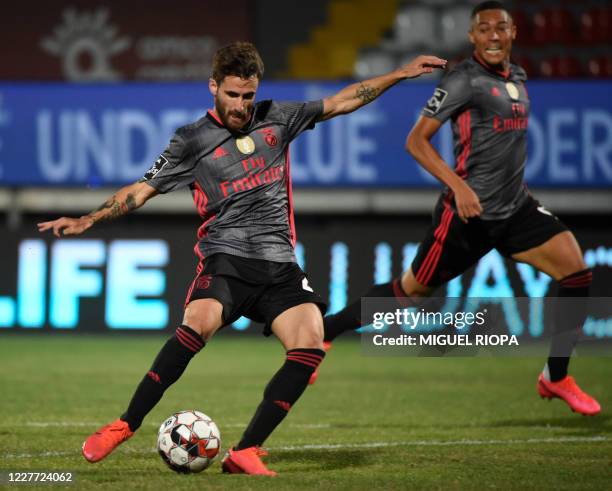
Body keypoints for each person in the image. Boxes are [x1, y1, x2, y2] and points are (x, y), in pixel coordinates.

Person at [37, 42, 446, 475]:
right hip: (226, 260)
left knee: (310, 342)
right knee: (199, 324)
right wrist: (90, 218)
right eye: (232, 95)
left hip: (280, 265)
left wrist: (399, 74)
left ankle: (245, 450)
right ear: (214, 87)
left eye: (248, 96)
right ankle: (124, 424)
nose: (240, 105)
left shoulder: (279, 117)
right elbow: (139, 190)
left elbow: (345, 99)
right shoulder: (191, 140)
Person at [316, 1, 600, 416]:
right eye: (484, 29)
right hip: (466, 217)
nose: (493, 36)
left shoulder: (518, 77)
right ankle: (325, 332)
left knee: (576, 273)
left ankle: (555, 377)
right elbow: (416, 141)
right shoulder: (464, 81)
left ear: (514, 32)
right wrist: (460, 187)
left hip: (515, 209)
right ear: (472, 37)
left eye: (500, 28)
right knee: (409, 293)